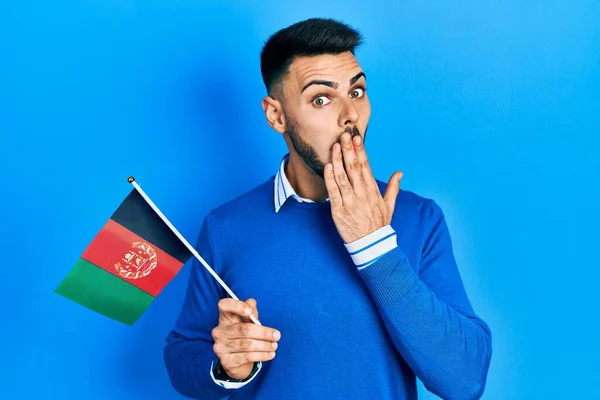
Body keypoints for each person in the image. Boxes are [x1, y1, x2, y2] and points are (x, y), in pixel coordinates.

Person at [163, 17, 492, 400]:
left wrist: (376, 246)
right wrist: (224, 367)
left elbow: (465, 380)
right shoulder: (225, 227)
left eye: (357, 91)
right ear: (277, 116)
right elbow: (182, 350)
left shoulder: (419, 218)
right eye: (321, 99)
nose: (349, 115)